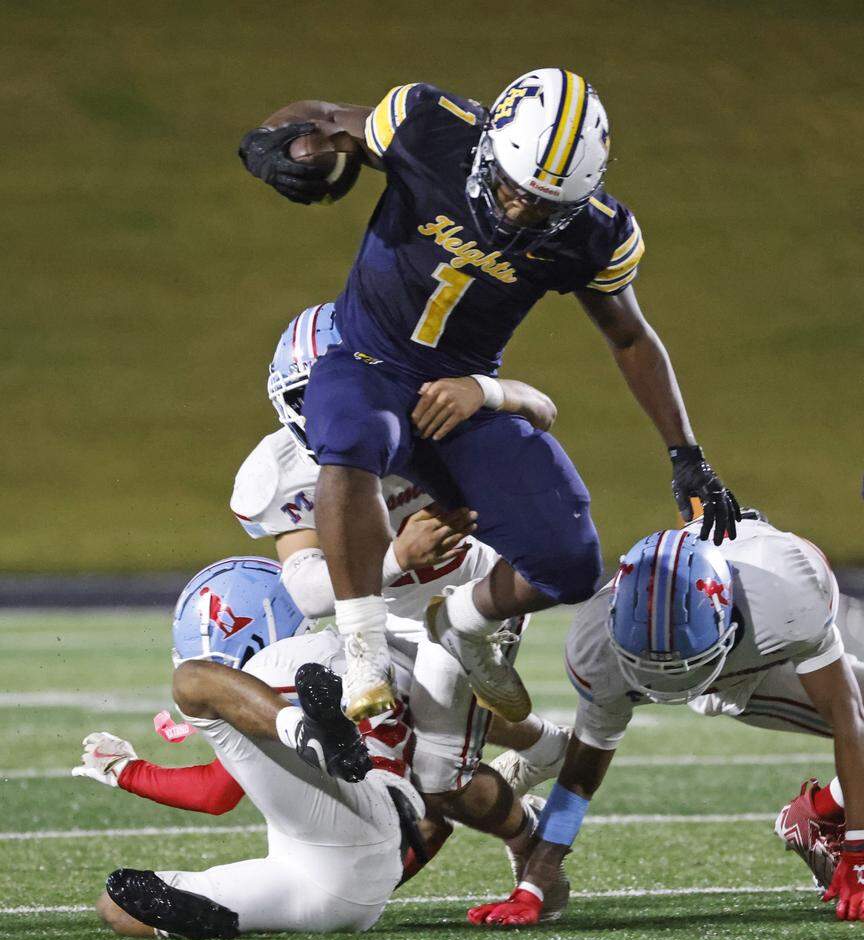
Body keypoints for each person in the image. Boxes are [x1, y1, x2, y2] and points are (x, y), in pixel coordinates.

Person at [237, 68, 740, 724]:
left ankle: (464, 623)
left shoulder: (596, 232)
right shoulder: (428, 126)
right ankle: (363, 651)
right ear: (489, 148)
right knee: (351, 431)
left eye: (543, 206)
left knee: (571, 560)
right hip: (368, 358)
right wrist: (269, 140)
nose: (518, 212)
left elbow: (631, 339)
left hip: (462, 394)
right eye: (513, 189)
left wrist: (686, 453)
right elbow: (326, 116)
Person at [469, 516, 864, 926]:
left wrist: (862, 849)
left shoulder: (789, 600)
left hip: (749, 662)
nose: (668, 684)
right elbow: (582, 777)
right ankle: (541, 747)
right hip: (713, 652)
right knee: (586, 744)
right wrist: (532, 887)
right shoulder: (595, 644)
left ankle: (822, 817)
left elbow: (849, 716)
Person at [79, 559, 574, 934]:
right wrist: (546, 748)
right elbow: (475, 727)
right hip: (358, 859)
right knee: (443, 775)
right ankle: (521, 827)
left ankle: (306, 735)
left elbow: (214, 792)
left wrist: (126, 770)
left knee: (192, 682)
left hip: (359, 841)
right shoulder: (369, 654)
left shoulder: (263, 675)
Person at [240, 302, 570, 795]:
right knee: (398, 730)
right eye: (311, 397)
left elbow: (541, 409)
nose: (333, 414)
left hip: (473, 590)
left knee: (435, 776)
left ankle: (526, 808)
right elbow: (309, 593)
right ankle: (548, 749)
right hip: (378, 617)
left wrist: (484, 390)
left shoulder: (431, 406)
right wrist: (398, 556)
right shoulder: (282, 469)